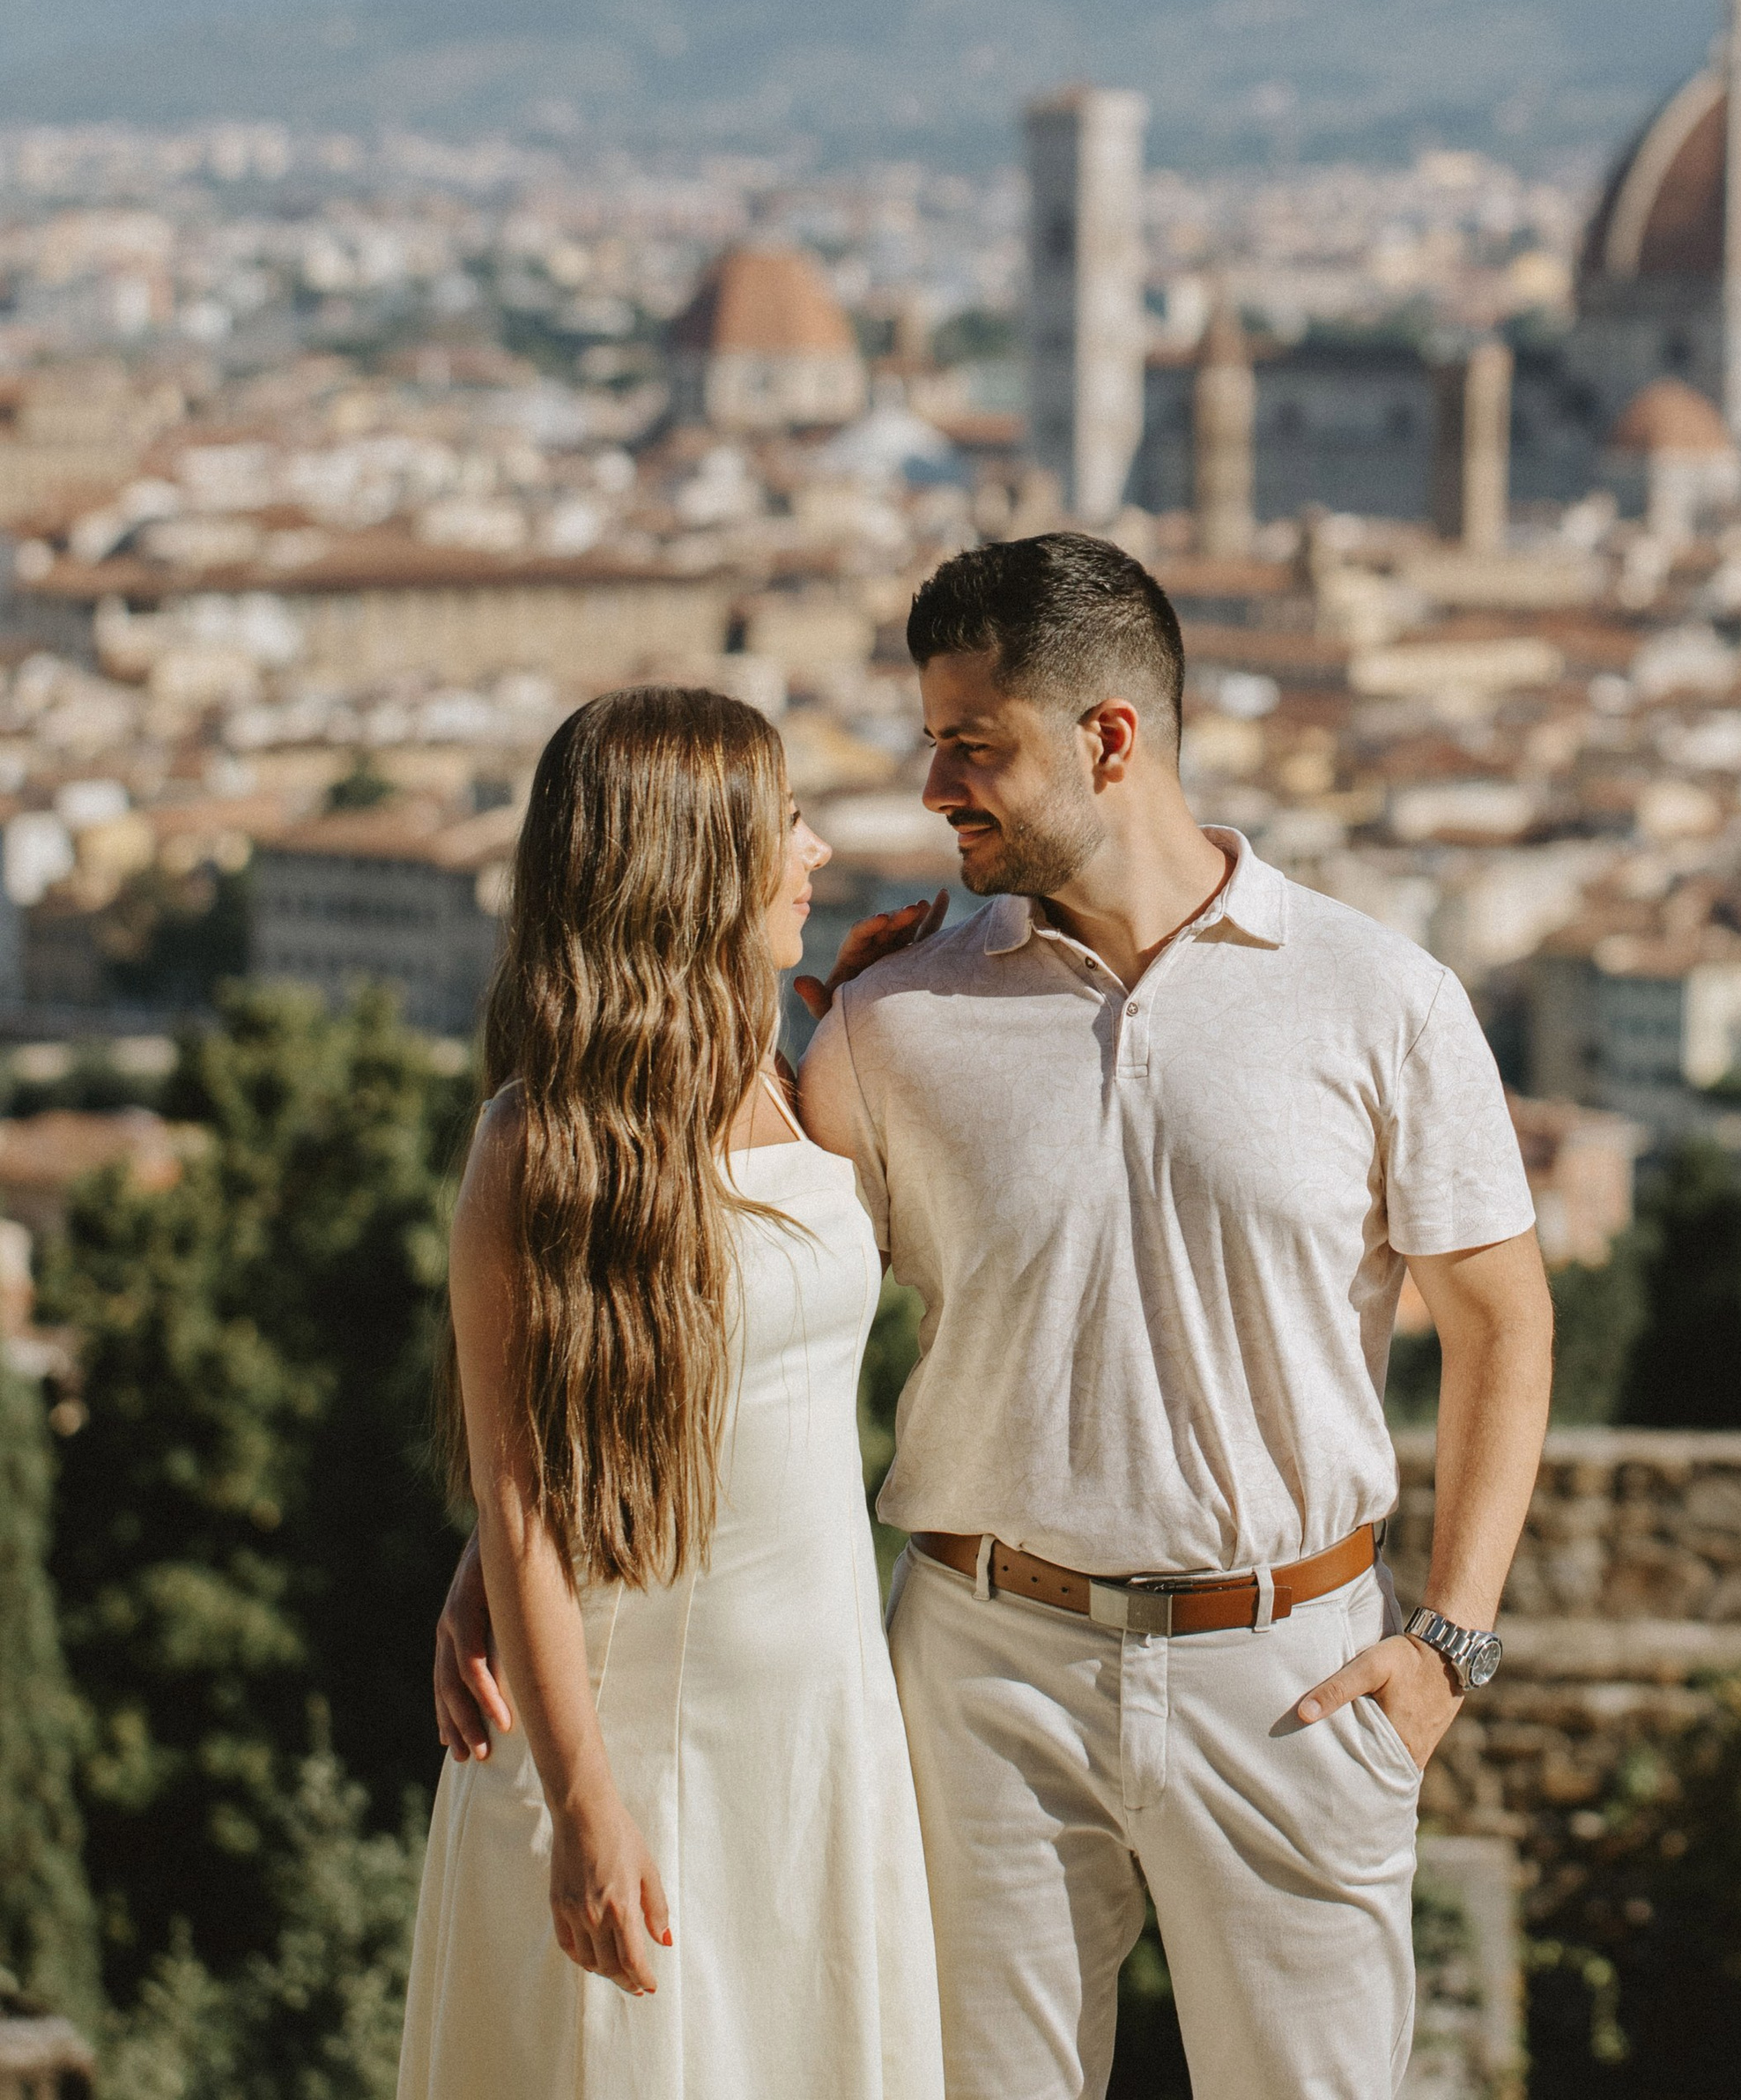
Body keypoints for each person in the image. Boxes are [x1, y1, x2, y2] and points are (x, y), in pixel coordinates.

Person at [438, 538, 1552, 2099]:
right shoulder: (891, 1022)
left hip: (1289, 1668)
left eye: (974, 745)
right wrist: (505, 1545)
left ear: (1110, 739)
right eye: (929, 742)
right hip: (977, 1670)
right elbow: (692, 1291)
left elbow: (1504, 1321)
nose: (930, 790)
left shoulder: (1381, 998)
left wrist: (1449, 1641)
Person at [402, 685, 944, 2100]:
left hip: (818, 1722)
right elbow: (521, 1487)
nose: (818, 853)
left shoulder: (788, 1078)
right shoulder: (538, 1146)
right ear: (691, 865)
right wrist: (584, 1807)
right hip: (627, 1739)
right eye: (788, 826)